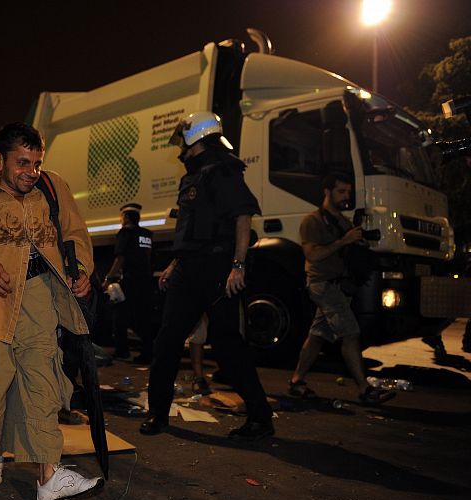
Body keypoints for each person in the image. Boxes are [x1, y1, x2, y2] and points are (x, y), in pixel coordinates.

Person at [0, 122, 102, 500]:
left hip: (41, 295)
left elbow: (75, 235)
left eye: (36, 163)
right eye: (22, 163)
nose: (30, 172)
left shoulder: (53, 187)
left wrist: (80, 272)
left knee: (43, 380)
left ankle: (49, 475)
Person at [140, 111, 274, 440]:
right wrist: (175, 264)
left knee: (228, 345)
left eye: (183, 139)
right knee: (167, 341)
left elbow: (243, 217)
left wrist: (237, 266)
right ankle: (157, 413)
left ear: (195, 138)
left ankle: (260, 418)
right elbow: (189, 230)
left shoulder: (223, 169)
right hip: (189, 269)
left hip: (218, 268)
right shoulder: (193, 175)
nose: (179, 148)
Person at [288, 174, 396, 405]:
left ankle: (297, 381)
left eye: (348, 192)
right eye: (341, 192)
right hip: (323, 285)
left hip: (339, 286)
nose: (346, 196)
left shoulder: (343, 221)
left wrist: (360, 243)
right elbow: (312, 255)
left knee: (317, 337)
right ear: (327, 192)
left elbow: (350, 249)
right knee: (350, 334)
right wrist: (343, 241)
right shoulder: (313, 221)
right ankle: (365, 390)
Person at [103, 202, 156, 364]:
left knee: (120, 316)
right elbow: (148, 256)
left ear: (126, 218)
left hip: (131, 281)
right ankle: (149, 352)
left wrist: (109, 278)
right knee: (144, 317)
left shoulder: (125, 233)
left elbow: (120, 258)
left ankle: (122, 351)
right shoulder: (146, 234)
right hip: (146, 281)